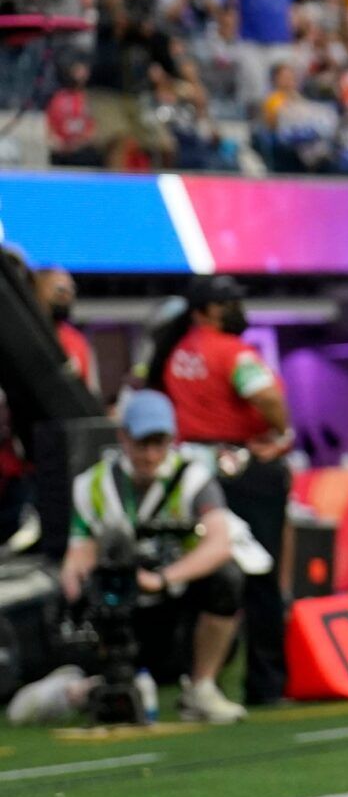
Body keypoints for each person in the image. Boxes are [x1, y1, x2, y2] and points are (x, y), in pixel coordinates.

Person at [57, 391, 257, 723]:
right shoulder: (91, 485)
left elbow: (220, 543)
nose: (150, 455)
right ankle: (101, 679)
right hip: (121, 600)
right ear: (123, 437)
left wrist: (162, 579)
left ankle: (202, 687)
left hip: (175, 592)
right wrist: (79, 586)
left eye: (159, 443)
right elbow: (77, 554)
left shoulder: (192, 478)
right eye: (141, 444)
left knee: (228, 578)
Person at [154, 275, 291, 706]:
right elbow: (266, 396)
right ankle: (265, 684)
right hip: (242, 469)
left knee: (202, 573)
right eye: (226, 302)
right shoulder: (232, 352)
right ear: (204, 310)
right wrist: (280, 429)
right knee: (261, 574)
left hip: (190, 473)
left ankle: (197, 679)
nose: (236, 308)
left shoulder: (174, 353)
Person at [33, 267, 98, 395]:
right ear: (36, 290)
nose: (67, 294)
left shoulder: (77, 340)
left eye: (71, 289)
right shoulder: (26, 334)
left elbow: (91, 390)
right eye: (60, 289)